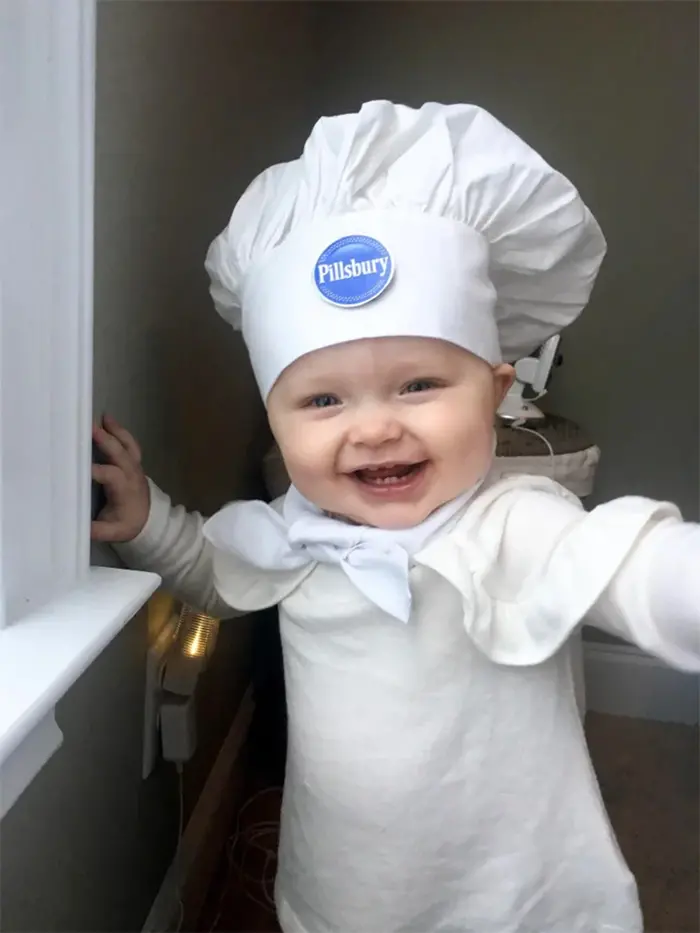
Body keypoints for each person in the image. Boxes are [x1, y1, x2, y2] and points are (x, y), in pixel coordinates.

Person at [92, 101, 700, 933]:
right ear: (274, 418)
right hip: (346, 889)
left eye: (419, 384)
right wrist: (146, 519)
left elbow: (633, 567)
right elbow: (212, 571)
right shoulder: (293, 528)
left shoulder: (516, 521)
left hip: (512, 894)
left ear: (492, 390)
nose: (374, 426)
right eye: (321, 399)